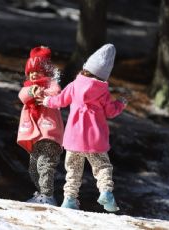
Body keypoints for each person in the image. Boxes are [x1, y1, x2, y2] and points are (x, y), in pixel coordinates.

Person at [40, 44, 128, 212]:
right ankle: (106, 192)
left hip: (74, 137)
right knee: (102, 166)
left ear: (86, 67)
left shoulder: (74, 85)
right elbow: (110, 112)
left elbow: (60, 100)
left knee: (72, 169)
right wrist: (120, 104)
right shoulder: (103, 91)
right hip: (95, 138)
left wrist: (46, 101)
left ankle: (69, 199)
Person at [17, 46, 64, 206]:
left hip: (49, 134)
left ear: (47, 72)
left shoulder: (51, 84)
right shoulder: (27, 87)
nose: (34, 74)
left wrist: (42, 93)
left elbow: (57, 93)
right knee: (33, 167)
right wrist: (32, 91)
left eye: (38, 71)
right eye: (31, 71)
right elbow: (22, 96)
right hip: (35, 136)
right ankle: (41, 193)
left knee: (45, 165)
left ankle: (48, 195)